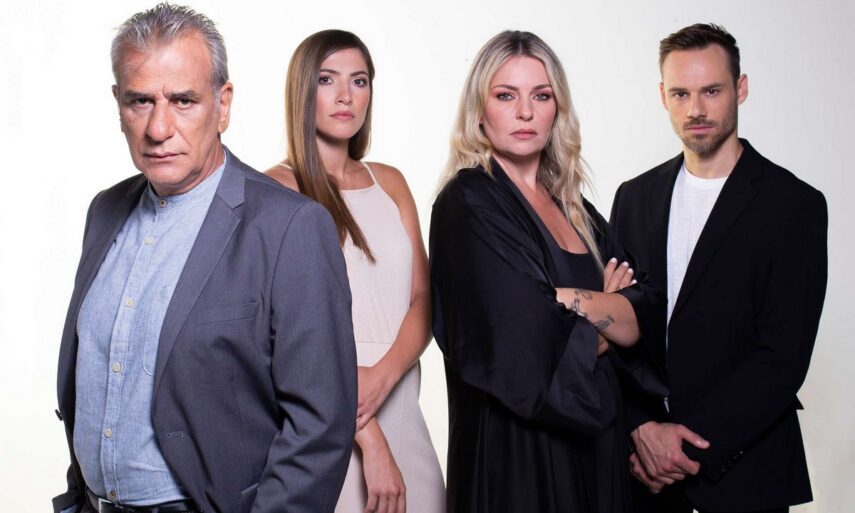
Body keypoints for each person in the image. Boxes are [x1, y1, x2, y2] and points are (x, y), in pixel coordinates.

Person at [53, 5, 357, 513]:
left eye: (183, 100)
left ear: (223, 104)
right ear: (118, 104)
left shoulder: (290, 228)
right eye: (140, 101)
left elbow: (320, 427)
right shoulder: (105, 211)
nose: (158, 127)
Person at [430, 30, 666, 513]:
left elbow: (643, 313)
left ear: (557, 108)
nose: (525, 112)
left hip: (599, 448)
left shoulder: (575, 209)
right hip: (517, 458)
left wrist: (560, 300)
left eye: (541, 96)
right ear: (479, 109)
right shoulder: (468, 202)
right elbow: (522, 341)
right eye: (505, 95)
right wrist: (605, 306)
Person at [610, 23, 828, 513]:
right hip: (642, 473)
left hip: (745, 472)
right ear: (663, 97)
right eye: (681, 94)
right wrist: (641, 426)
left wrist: (683, 448)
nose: (696, 109)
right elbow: (619, 325)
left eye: (711, 91)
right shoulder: (634, 198)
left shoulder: (794, 205)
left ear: (740, 89)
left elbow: (783, 356)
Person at [265, 30, 445, 513]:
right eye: (327, 80)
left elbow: (422, 298)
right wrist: (369, 436)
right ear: (302, 90)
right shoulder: (273, 191)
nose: (346, 95)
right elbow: (284, 336)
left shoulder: (390, 183)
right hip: (328, 424)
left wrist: (383, 376)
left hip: (401, 404)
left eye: (359, 80)